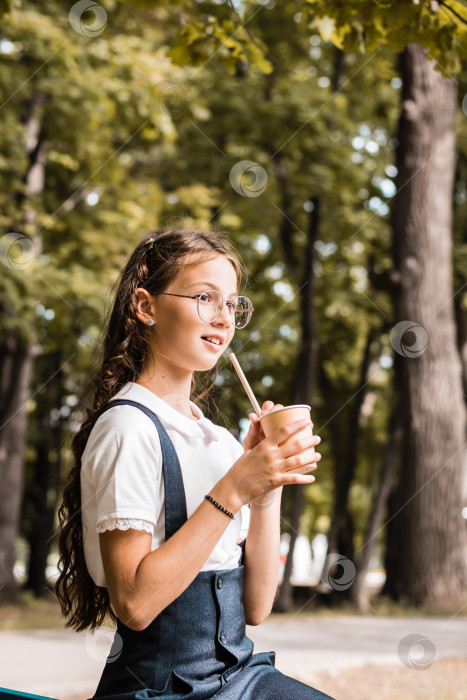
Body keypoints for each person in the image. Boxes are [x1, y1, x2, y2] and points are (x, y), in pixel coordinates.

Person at [55, 229, 334, 700]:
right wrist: (233, 489)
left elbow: (257, 607)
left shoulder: (219, 440)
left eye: (231, 304)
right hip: (162, 688)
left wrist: (266, 489)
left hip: (239, 676)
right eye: (205, 297)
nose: (223, 318)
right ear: (146, 307)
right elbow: (136, 605)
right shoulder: (128, 428)